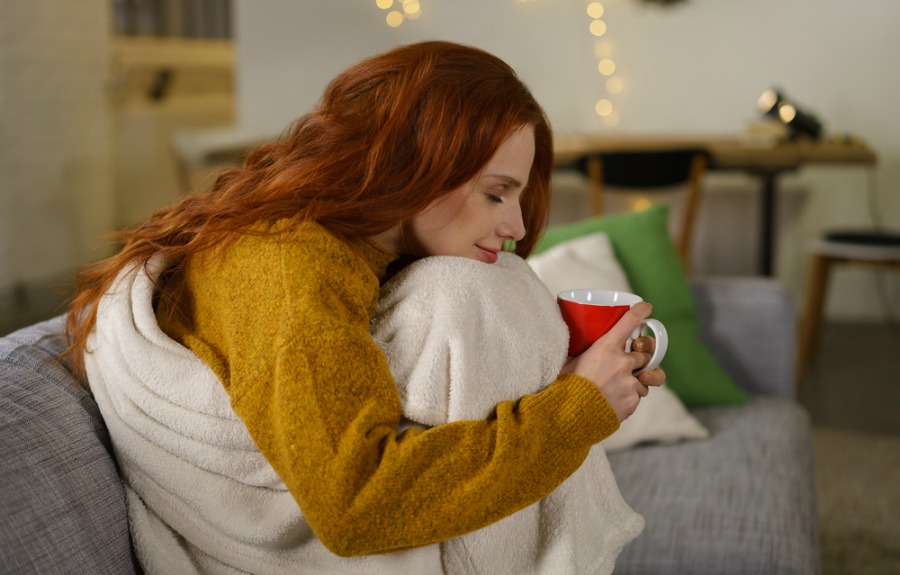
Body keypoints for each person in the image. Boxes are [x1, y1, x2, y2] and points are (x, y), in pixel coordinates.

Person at [64, 41, 665, 574]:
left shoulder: (363, 252)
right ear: (418, 165)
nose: (516, 224)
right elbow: (356, 505)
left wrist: (548, 380)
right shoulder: (284, 266)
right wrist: (574, 412)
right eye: (495, 193)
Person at [371, 250, 645, 575]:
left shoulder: (503, 272)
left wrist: (565, 383)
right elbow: (369, 505)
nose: (517, 227)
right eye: (493, 197)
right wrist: (579, 407)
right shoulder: (448, 287)